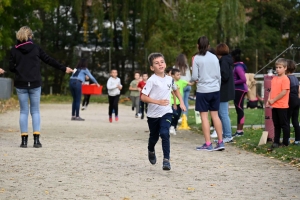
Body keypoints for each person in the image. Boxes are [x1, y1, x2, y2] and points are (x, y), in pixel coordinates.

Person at [9, 26, 73, 148]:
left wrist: (20, 67)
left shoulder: (14, 50)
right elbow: (49, 60)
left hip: (21, 84)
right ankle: (36, 141)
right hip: (35, 83)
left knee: (23, 111)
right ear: (30, 36)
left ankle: (23, 141)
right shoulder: (36, 48)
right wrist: (64, 68)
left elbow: (11, 68)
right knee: (35, 111)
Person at [141, 52, 186, 171]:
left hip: (166, 111)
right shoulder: (151, 80)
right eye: (156, 63)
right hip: (153, 114)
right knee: (154, 137)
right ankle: (151, 149)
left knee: (165, 133)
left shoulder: (170, 79)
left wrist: (181, 102)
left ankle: (166, 160)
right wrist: (157, 102)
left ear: (165, 64)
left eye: (162, 62)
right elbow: (143, 97)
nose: (160, 64)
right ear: (152, 67)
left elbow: (176, 90)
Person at [191, 36, 224, 151]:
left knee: (204, 117)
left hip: (203, 90)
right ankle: (220, 142)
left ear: (198, 45)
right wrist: (217, 86)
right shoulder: (214, 57)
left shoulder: (197, 58)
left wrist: (195, 79)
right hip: (215, 89)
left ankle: (208, 143)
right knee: (215, 116)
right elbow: (219, 75)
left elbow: (195, 76)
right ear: (209, 46)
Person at [266, 58, 290, 148]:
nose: (278, 69)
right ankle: (276, 141)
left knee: (284, 124)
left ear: (285, 68)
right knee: (276, 124)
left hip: (282, 105)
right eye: (276, 67)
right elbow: (271, 91)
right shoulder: (274, 78)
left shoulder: (285, 79)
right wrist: (269, 100)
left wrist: (274, 100)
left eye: (280, 67)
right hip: (274, 105)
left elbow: (284, 92)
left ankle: (285, 142)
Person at [214, 43, 235, 143]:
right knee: (222, 113)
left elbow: (224, 75)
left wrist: (216, 78)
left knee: (223, 113)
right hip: (225, 90)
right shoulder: (226, 60)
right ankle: (224, 134)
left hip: (223, 91)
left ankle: (228, 135)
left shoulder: (224, 61)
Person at [170, 68, 194, 135]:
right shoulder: (170, 82)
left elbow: (190, 84)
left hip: (179, 103)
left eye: (180, 74)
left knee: (177, 115)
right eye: (177, 75)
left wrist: (195, 80)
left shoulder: (182, 81)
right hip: (171, 102)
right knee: (173, 114)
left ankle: (173, 127)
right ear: (172, 75)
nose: (179, 76)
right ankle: (171, 126)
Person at [231, 49, 248, 137]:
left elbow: (243, 79)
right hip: (238, 89)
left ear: (234, 57)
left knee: (239, 109)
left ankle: (240, 131)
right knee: (239, 109)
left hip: (240, 90)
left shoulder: (238, 67)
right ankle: (239, 130)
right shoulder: (237, 66)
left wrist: (232, 82)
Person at [286, 60, 300, 146]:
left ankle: (286, 139)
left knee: (286, 121)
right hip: (297, 101)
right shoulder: (295, 78)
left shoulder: (286, 78)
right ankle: (298, 140)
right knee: (295, 121)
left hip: (290, 100)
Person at [174, 54, 192, 119]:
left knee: (180, 101)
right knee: (186, 101)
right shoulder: (186, 67)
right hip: (188, 84)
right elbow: (189, 76)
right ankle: (185, 116)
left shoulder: (175, 67)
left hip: (181, 86)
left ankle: (180, 116)